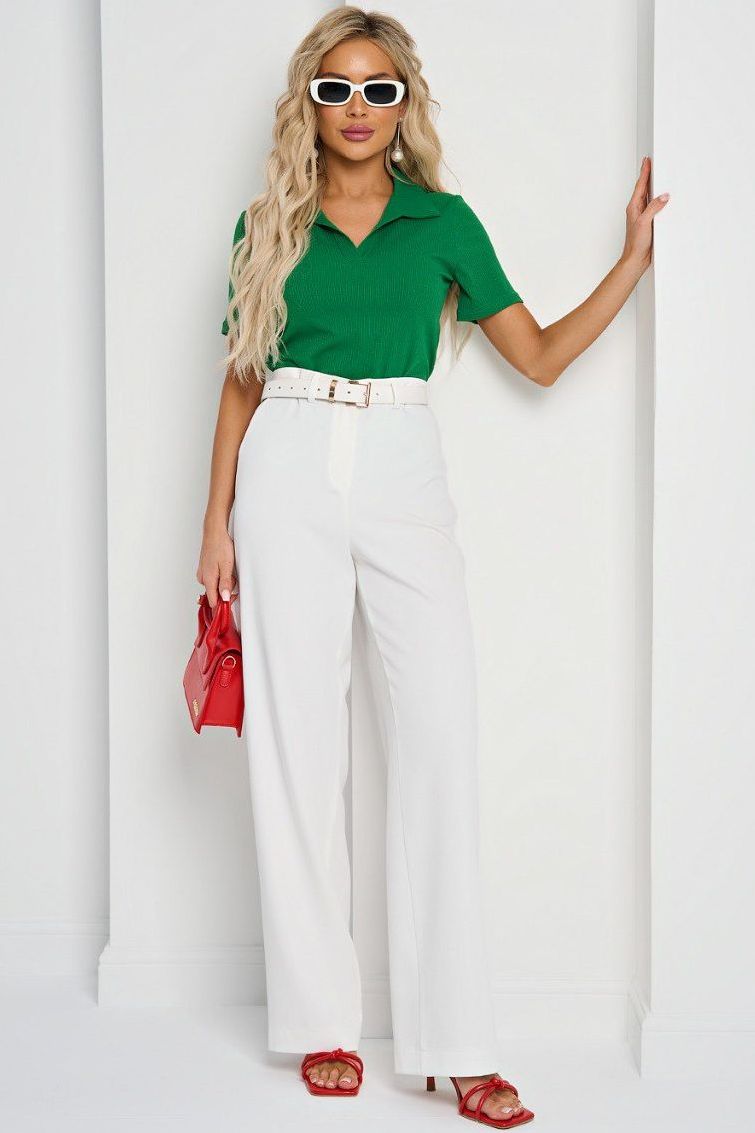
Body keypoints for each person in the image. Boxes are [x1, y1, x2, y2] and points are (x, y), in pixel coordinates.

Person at [196, 7, 668, 1128]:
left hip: (401, 461)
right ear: (309, 104)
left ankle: (457, 1044)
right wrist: (212, 523)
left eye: (379, 88)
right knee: (297, 748)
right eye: (335, 88)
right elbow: (243, 377)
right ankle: (321, 1020)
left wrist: (630, 265)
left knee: (439, 739)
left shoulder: (443, 221)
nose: (357, 108)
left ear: (405, 101)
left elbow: (537, 358)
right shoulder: (267, 224)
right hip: (285, 461)